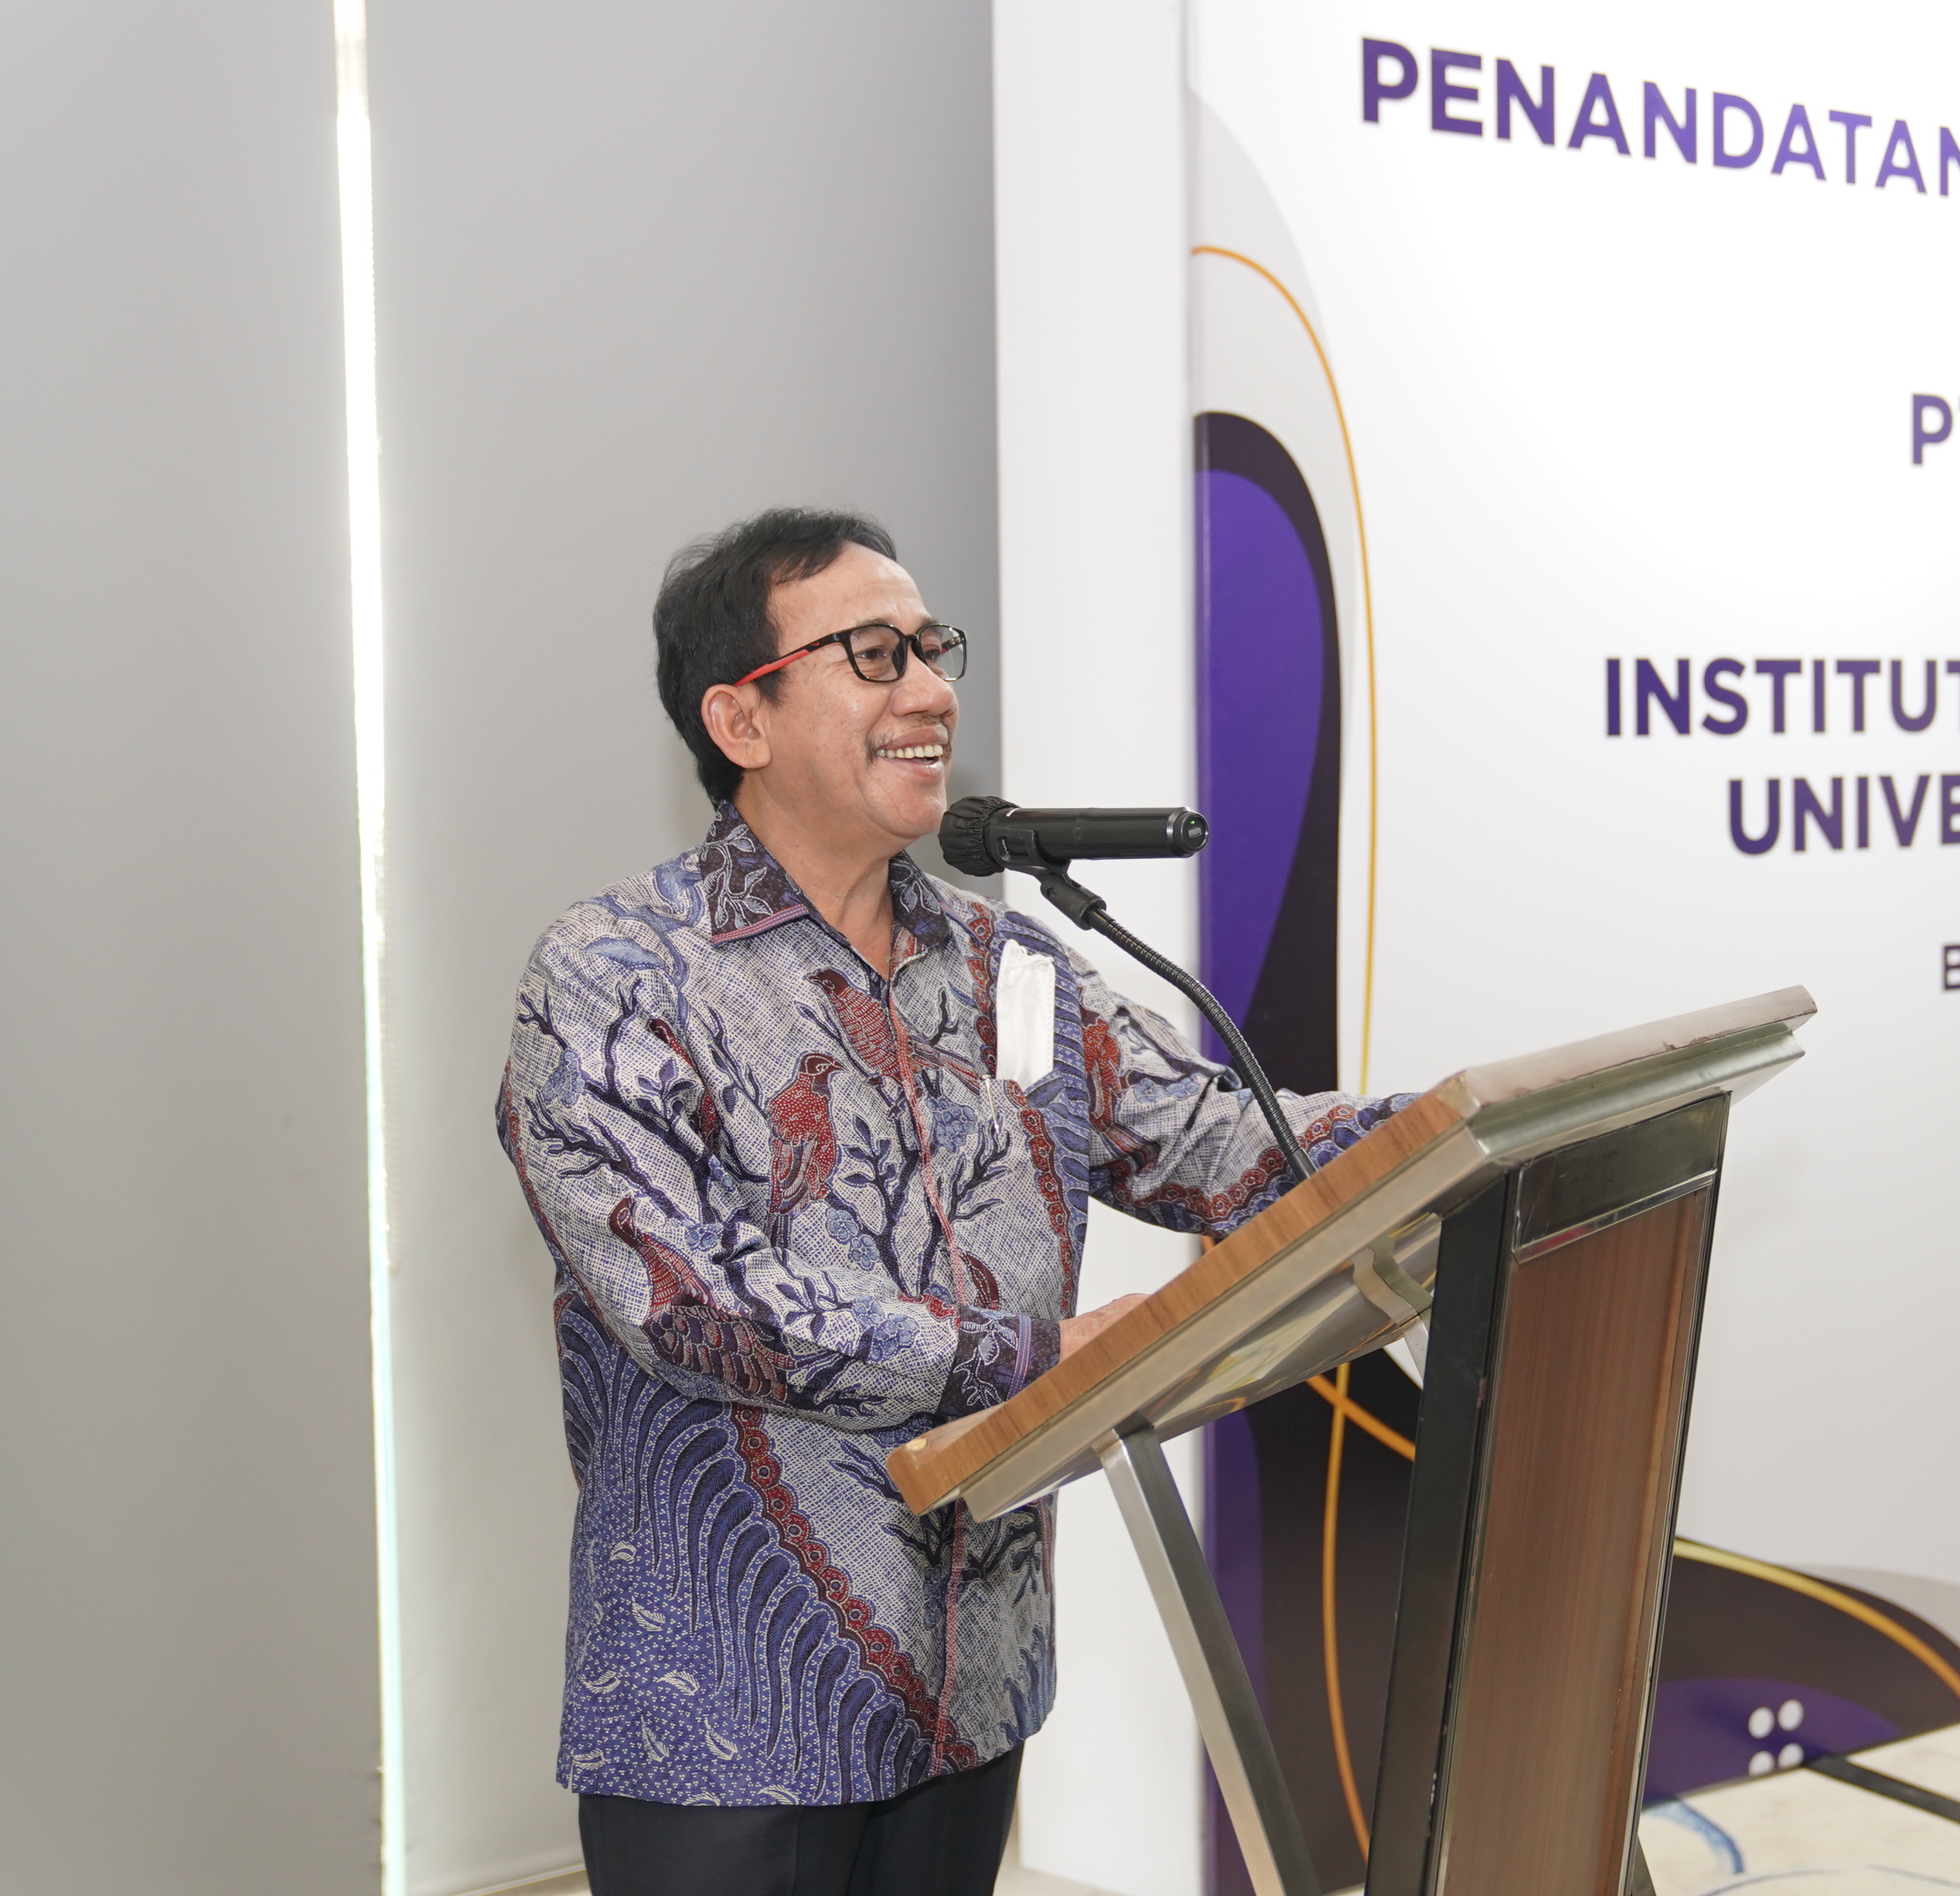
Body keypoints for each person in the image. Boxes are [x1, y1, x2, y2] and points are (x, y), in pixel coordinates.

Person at [497, 507, 1404, 1894]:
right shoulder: (616, 973)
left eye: (932, 649)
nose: (930, 691)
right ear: (741, 718)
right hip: (730, 1703)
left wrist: (1465, 1121)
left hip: (970, 1681)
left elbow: (1218, 1143)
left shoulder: (1007, 963)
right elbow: (689, 1305)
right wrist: (1038, 1358)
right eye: (875, 655)